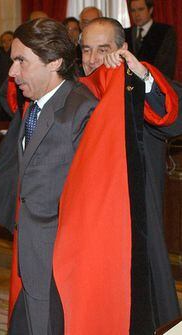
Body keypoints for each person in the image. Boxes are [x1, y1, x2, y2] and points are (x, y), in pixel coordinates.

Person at [54, 17, 181, 333]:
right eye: (86, 51)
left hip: (134, 228)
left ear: (123, 50)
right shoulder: (73, 93)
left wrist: (139, 74)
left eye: (103, 50)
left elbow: (174, 120)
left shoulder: (137, 84)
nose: (94, 60)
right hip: (87, 227)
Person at [6, 18, 97, 334]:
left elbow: (90, 196)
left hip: (58, 258)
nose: (12, 72)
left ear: (54, 61)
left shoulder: (82, 109)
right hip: (31, 249)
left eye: (21, 61)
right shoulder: (35, 106)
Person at [125, 0, 176, 78]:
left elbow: (166, 66)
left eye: (141, 9)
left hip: (156, 83)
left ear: (150, 10)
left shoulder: (165, 31)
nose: (137, 14)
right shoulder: (125, 33)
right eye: (133, 10)